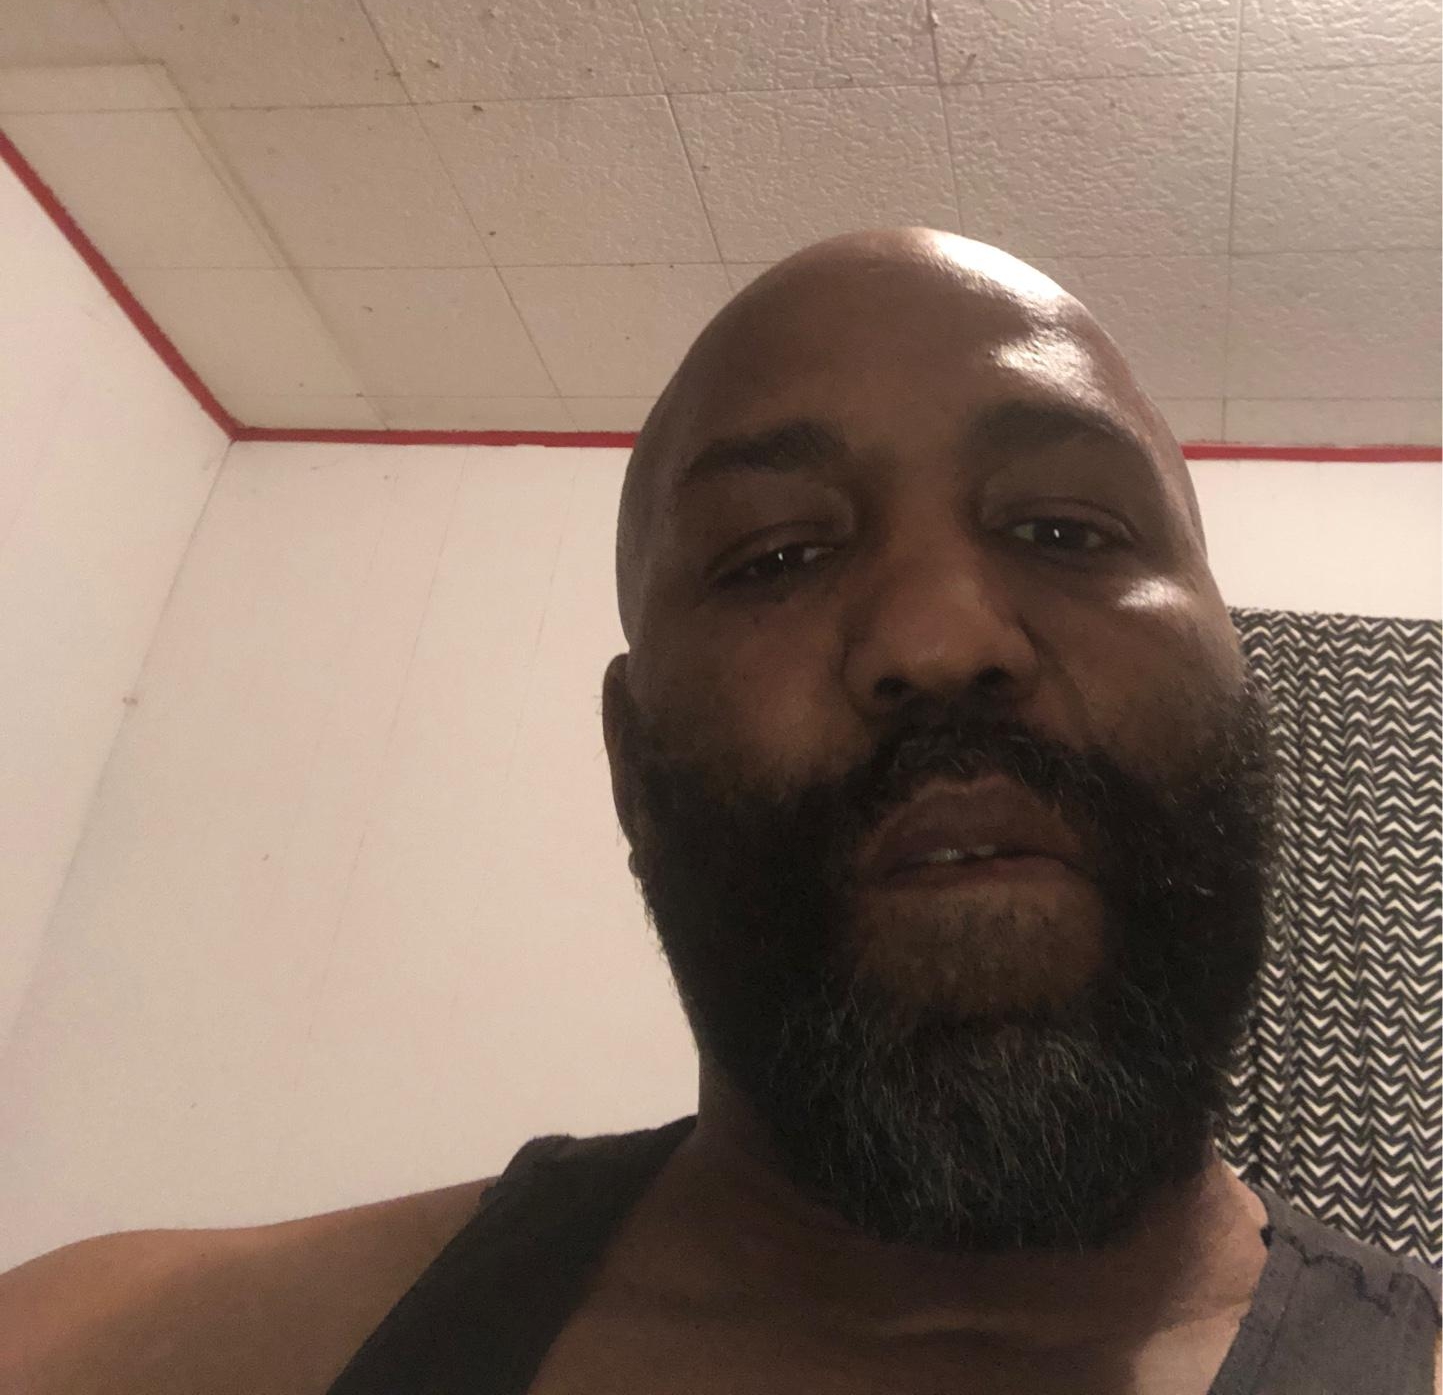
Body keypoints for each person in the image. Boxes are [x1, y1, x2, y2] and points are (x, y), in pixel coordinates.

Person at [3, 227, 1438, 1394]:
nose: (939, 637)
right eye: (774, 557)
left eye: (1066, 530)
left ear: (1246, 700)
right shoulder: (97, 1350)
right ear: (631, 767)